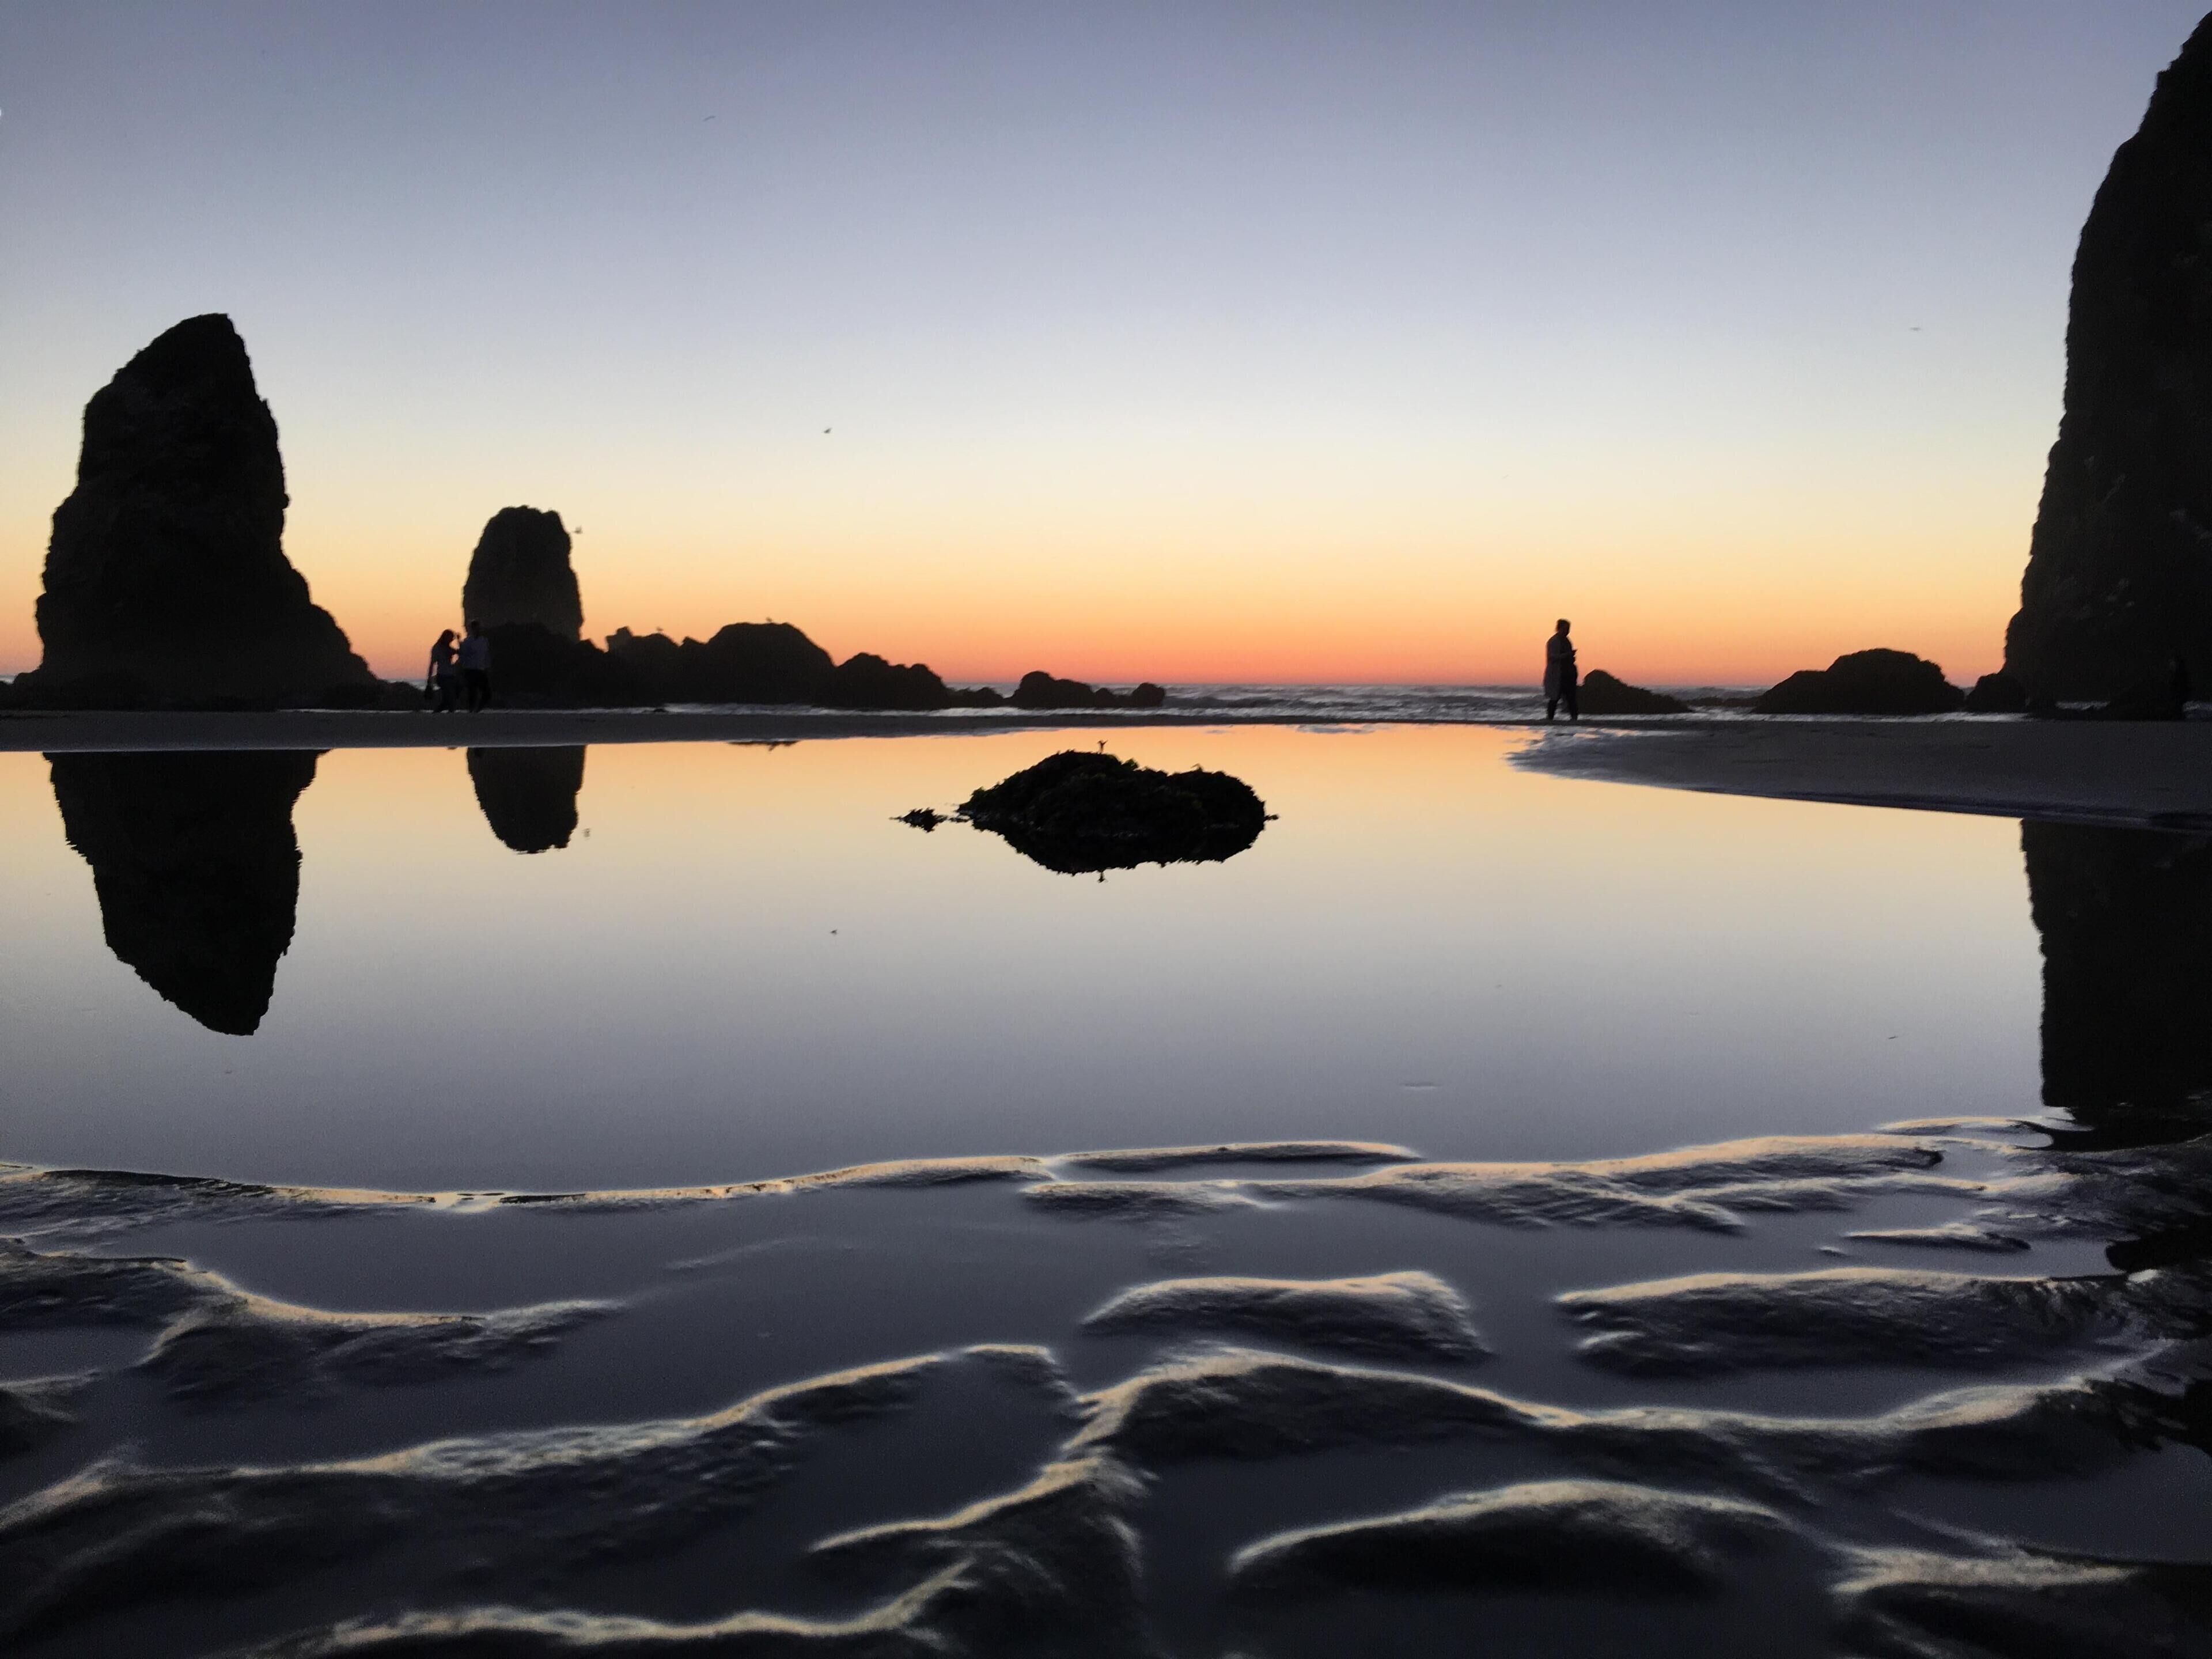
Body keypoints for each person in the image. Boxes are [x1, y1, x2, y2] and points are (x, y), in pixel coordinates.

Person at [1543, 618, 1578, 722]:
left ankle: (1574, 718)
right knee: (1555, 697)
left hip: (1568, 673)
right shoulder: (1553, 641)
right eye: (1566, 629)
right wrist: (1567, 655)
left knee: (1571, 697)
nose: (1568, 631)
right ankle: (1550, 719)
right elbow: (1552, 657)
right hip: (1558, 674)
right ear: (1560, 628)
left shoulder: (1567, 640)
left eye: (1568, 629)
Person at [458, 619, 493, 713]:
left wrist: (488, 667)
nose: (479, 630)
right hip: (470, 670)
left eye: (480, 628)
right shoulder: (468, 642)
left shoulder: (484, 641)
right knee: (472, 692)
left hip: (481, 669)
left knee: (487, 693)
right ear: (472, 629)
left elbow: (486, 655)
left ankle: (477, 709)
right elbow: (463, 655)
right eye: (477, 628)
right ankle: (472, 710)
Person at [426, 628, 460, 713]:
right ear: (444, 637)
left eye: (452, 639)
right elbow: (432, 663)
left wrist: (459, 641)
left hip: (450, 675)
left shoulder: (448, 647)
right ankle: (450, 712)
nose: (451, 640)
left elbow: (459, 652)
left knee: (449, 697)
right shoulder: (437, 648)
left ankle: (437, 713)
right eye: (450, 638)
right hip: (442, 676)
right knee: (450, 696)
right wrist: (429, 678)